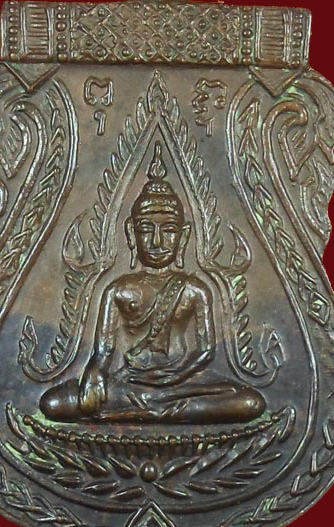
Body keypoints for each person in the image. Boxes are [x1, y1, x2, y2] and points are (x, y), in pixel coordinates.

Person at [40, 142, 265, 423]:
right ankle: (155, 409)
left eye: (168, 230)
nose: (157, 241)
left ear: (183, 235)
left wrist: (176, 376)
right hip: (130, 381)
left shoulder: (195, 289)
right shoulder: (118, 290)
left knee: (249, 402)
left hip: (183, 382)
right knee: (55, 402)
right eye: (146, 229)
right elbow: (103, 351)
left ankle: (150, 410)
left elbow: (206, 350)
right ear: (131, 233)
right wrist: (95, 373)